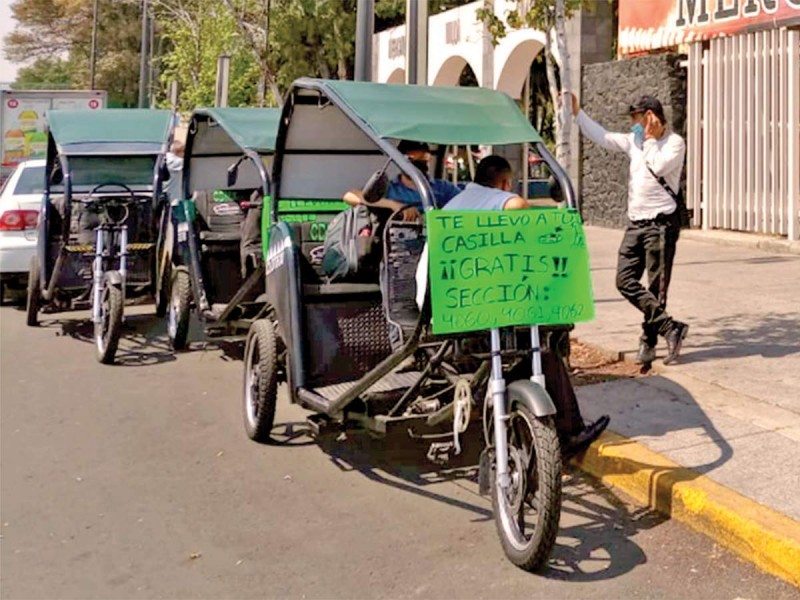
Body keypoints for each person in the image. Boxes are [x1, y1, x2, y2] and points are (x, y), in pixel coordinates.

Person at [433, 154, 611, 458]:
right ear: (504, 183)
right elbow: (523, 222)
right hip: (488, 304)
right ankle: (569, 430)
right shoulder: (505, 200)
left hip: (450, 306)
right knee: (543, 352)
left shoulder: (453, 204)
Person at [569, 93, 689, 365]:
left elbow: (659, 165)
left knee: (657, 289)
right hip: (635, 223)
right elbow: (603, 137)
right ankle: (671, 328)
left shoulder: (674, 143)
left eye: (638, 118)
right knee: (624, 281)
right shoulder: (634, 142)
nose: (634, 125)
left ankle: (648, 341)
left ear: (652, 117)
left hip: (660, 224)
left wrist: (648, 138)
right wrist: (578, 114)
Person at [343, 140, 461, 220]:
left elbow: (466, 206)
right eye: (411, 160)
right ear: (400, 162)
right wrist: (394, 205)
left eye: (423, 159)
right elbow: (351, 196)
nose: (418, 164)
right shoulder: (389, 188)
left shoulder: (443, 188)